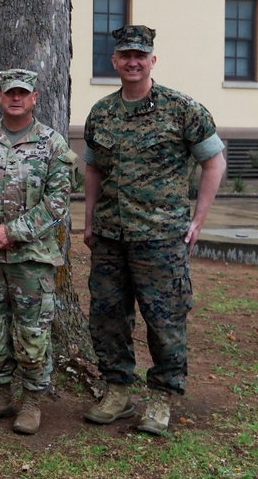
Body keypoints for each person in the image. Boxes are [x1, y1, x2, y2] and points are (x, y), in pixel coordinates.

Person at [82, 25, 226, 435]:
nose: (132, 62)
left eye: (139, 56)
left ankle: (161, 397)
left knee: (164, 320)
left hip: (161, 239)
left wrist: (198, 220)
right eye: (125, 55)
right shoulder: (101, 113)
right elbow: (92, 168)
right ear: (114, 62)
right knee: (108, 316)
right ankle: (117, 391)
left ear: (151, 61)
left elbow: (214, 162)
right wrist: (90, 220)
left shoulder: (181, 109)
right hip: (110, 236)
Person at [0, 68, 75, 435]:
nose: (16, 98)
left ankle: (32, 401)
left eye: (23, 93)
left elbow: (58, 201)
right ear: (0, 97)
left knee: (32, 332)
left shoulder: (51, 144)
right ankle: (0, 395)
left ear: (35, 97)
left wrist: (14, 232)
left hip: (31, 260)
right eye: (10, 93)